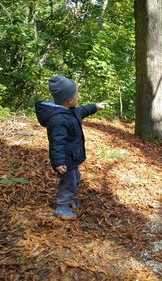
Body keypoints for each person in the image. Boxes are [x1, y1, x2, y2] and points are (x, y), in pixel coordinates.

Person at [35, 75, 106, 219]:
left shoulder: (71, 110)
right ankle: (62, 206)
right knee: (69, 182)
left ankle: (71, 199)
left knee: (76, 178)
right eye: (76, 95)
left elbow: (83, 111)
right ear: (70, 100)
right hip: (65, 160)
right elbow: (57, 142)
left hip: (72, 156)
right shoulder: (59, 119)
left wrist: (95, 107)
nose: (78, 97)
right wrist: (59, 162)